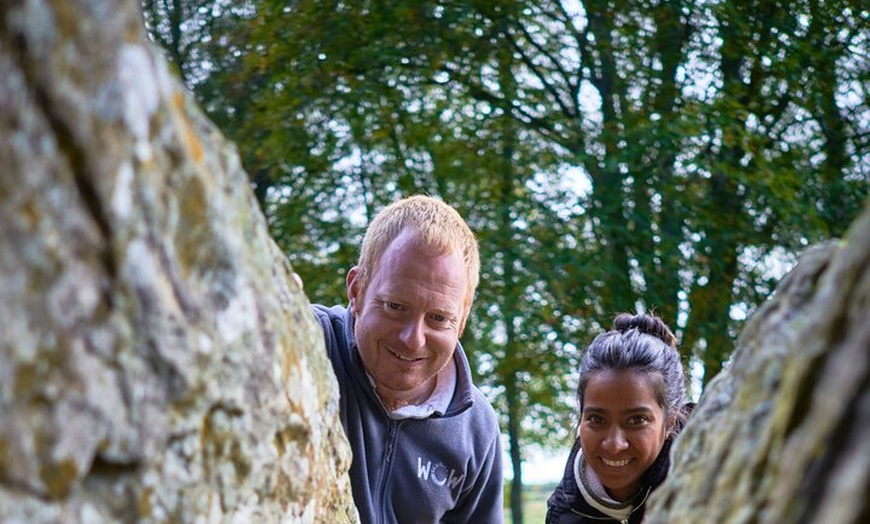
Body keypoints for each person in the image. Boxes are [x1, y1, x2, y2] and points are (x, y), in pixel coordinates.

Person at [311, 195, 504, 524]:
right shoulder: (311, 346)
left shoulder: (477, 430)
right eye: (395, 307)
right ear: (356, 290)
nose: (413, 339)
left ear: (462, 320)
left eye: (439, 318)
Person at [545, 313, 692, 523]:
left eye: (636, 420)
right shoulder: (563, 515)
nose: (614, 445)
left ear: (670, 422)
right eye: (597, 419)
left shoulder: (718, 499)